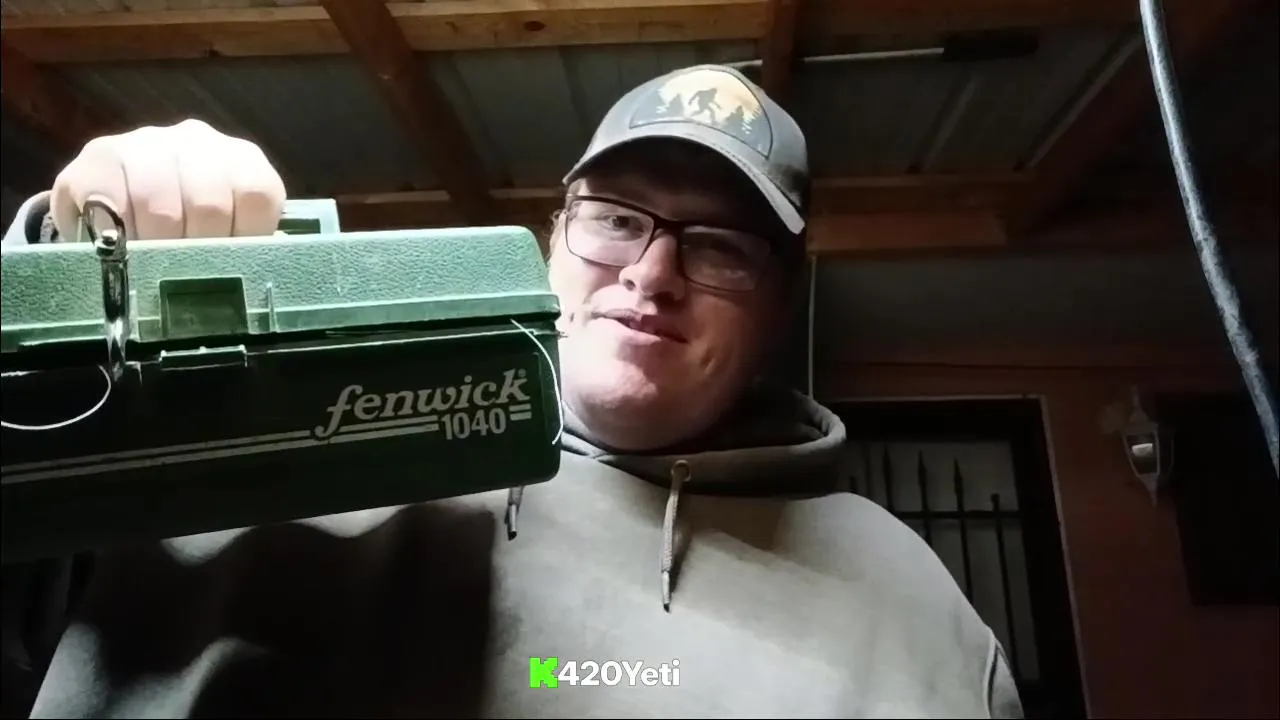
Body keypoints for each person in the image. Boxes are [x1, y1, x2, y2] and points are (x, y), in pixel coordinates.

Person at [1, 64, 1023, 718]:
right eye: (616, 218)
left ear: (780, 303)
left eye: (719, 246)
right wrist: (71, 274)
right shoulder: (313, 416)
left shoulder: (909, 609)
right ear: (553, 237)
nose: (651, 274)